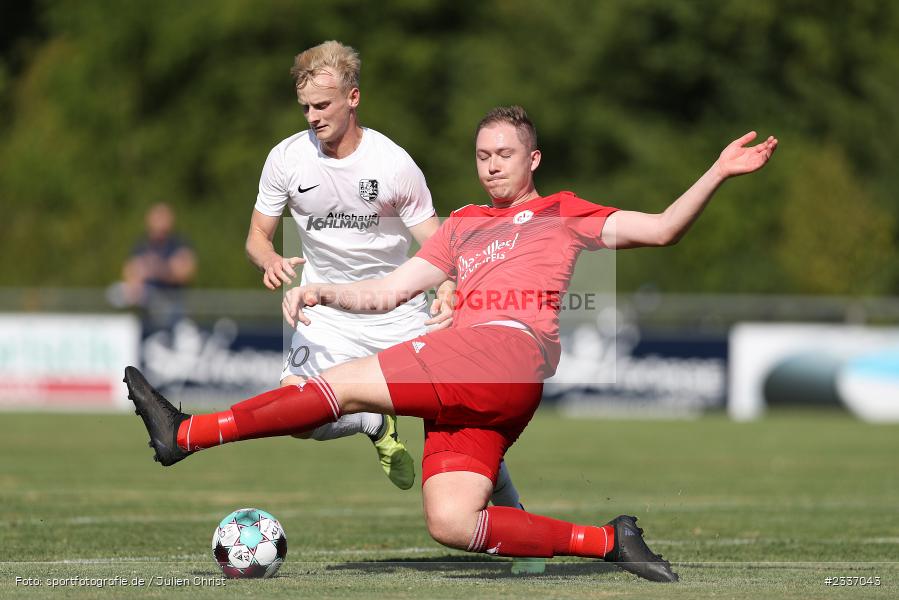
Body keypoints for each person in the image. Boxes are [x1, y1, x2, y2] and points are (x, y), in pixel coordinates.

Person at [126, 105, 777, 582]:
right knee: (451, 521)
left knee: (343, 384)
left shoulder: (564, 213)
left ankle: (185, 435)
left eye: (505, 154)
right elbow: (390, 290)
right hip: (483, 385)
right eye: (483, 155)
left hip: (503, 353)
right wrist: (326, 291)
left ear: (533, 160)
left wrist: (716, 171)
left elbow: (662, 229)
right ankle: (609, 540)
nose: (492, 165)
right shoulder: (462, 224)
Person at [241, 40, 535, 561]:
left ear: (353, 98)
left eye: (323, 106)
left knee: (464, 425)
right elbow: (257, 236)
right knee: (298, 419)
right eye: (306, 107)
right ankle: (370, 421)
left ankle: (516, 531)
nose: (312, 117)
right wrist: (268, 260)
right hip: (326, 310)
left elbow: (437, 241)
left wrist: (447, 288)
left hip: (398, 313)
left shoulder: (393, 164)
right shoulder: (285, 159)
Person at [120, 202, 197, 330]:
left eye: (163, 218)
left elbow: (185, 272)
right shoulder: (141, 246)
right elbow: (129, 274)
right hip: (146, 313)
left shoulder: (179, 244)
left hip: (173, 310)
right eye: (157, 218)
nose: (160, 223)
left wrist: (155, 269)